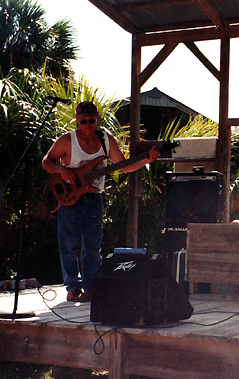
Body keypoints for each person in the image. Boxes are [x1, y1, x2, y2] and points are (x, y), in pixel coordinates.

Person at [42, 101, 160, 302]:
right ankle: (72, 287)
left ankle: (91, 287)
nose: (88, 125)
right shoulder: (67, 140)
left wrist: (146, 160)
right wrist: (61, 170)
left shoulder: (106, 140)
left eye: (91, 121)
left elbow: (123, 166)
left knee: (93, 246)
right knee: (68, 245)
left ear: (97, 119)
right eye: (83, 121)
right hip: (69, 198)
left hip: (94, 198)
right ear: (77, 120)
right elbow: (46, 162)